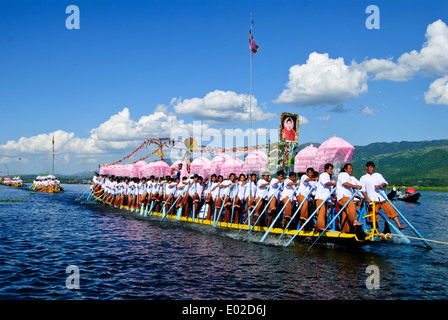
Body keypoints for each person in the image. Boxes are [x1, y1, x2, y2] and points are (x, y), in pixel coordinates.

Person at [360, 161, 406, 230]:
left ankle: (399, 225)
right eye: (370, 167)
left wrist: (380, 186)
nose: (372, 169)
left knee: (391, 211)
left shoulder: (378, 175)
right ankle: (374, 230)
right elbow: (362, 190)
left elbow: (385, 183)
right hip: (373, 200)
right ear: (366, 168)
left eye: (373, 168)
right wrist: (367, 198)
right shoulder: (363, 178)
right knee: (373, 217)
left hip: (382, 198)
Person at [336, 163, 363, 233]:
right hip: (343, 196)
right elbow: (345, 184)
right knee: (351, 206)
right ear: (345, 169)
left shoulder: (349, 177)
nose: (351, 170)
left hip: (347, 196)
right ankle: (355, 221)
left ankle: (344, 230)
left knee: (345, 214)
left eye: (352, 168)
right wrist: (356, 186)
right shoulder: (343, 174)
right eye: (349, 168)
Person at [314, 163, 337, 232]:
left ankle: (318, 228)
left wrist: (333, 195)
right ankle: (320, 227)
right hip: (320, 197)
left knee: (324, 212)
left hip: (324, 198)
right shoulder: (324, 175)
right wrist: (334, 184)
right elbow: (326, 183)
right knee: (322, 212)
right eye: (330, 169)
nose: (331, 170)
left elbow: (328, 189)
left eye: (332, 169)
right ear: (326, 169)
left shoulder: (327, 176)